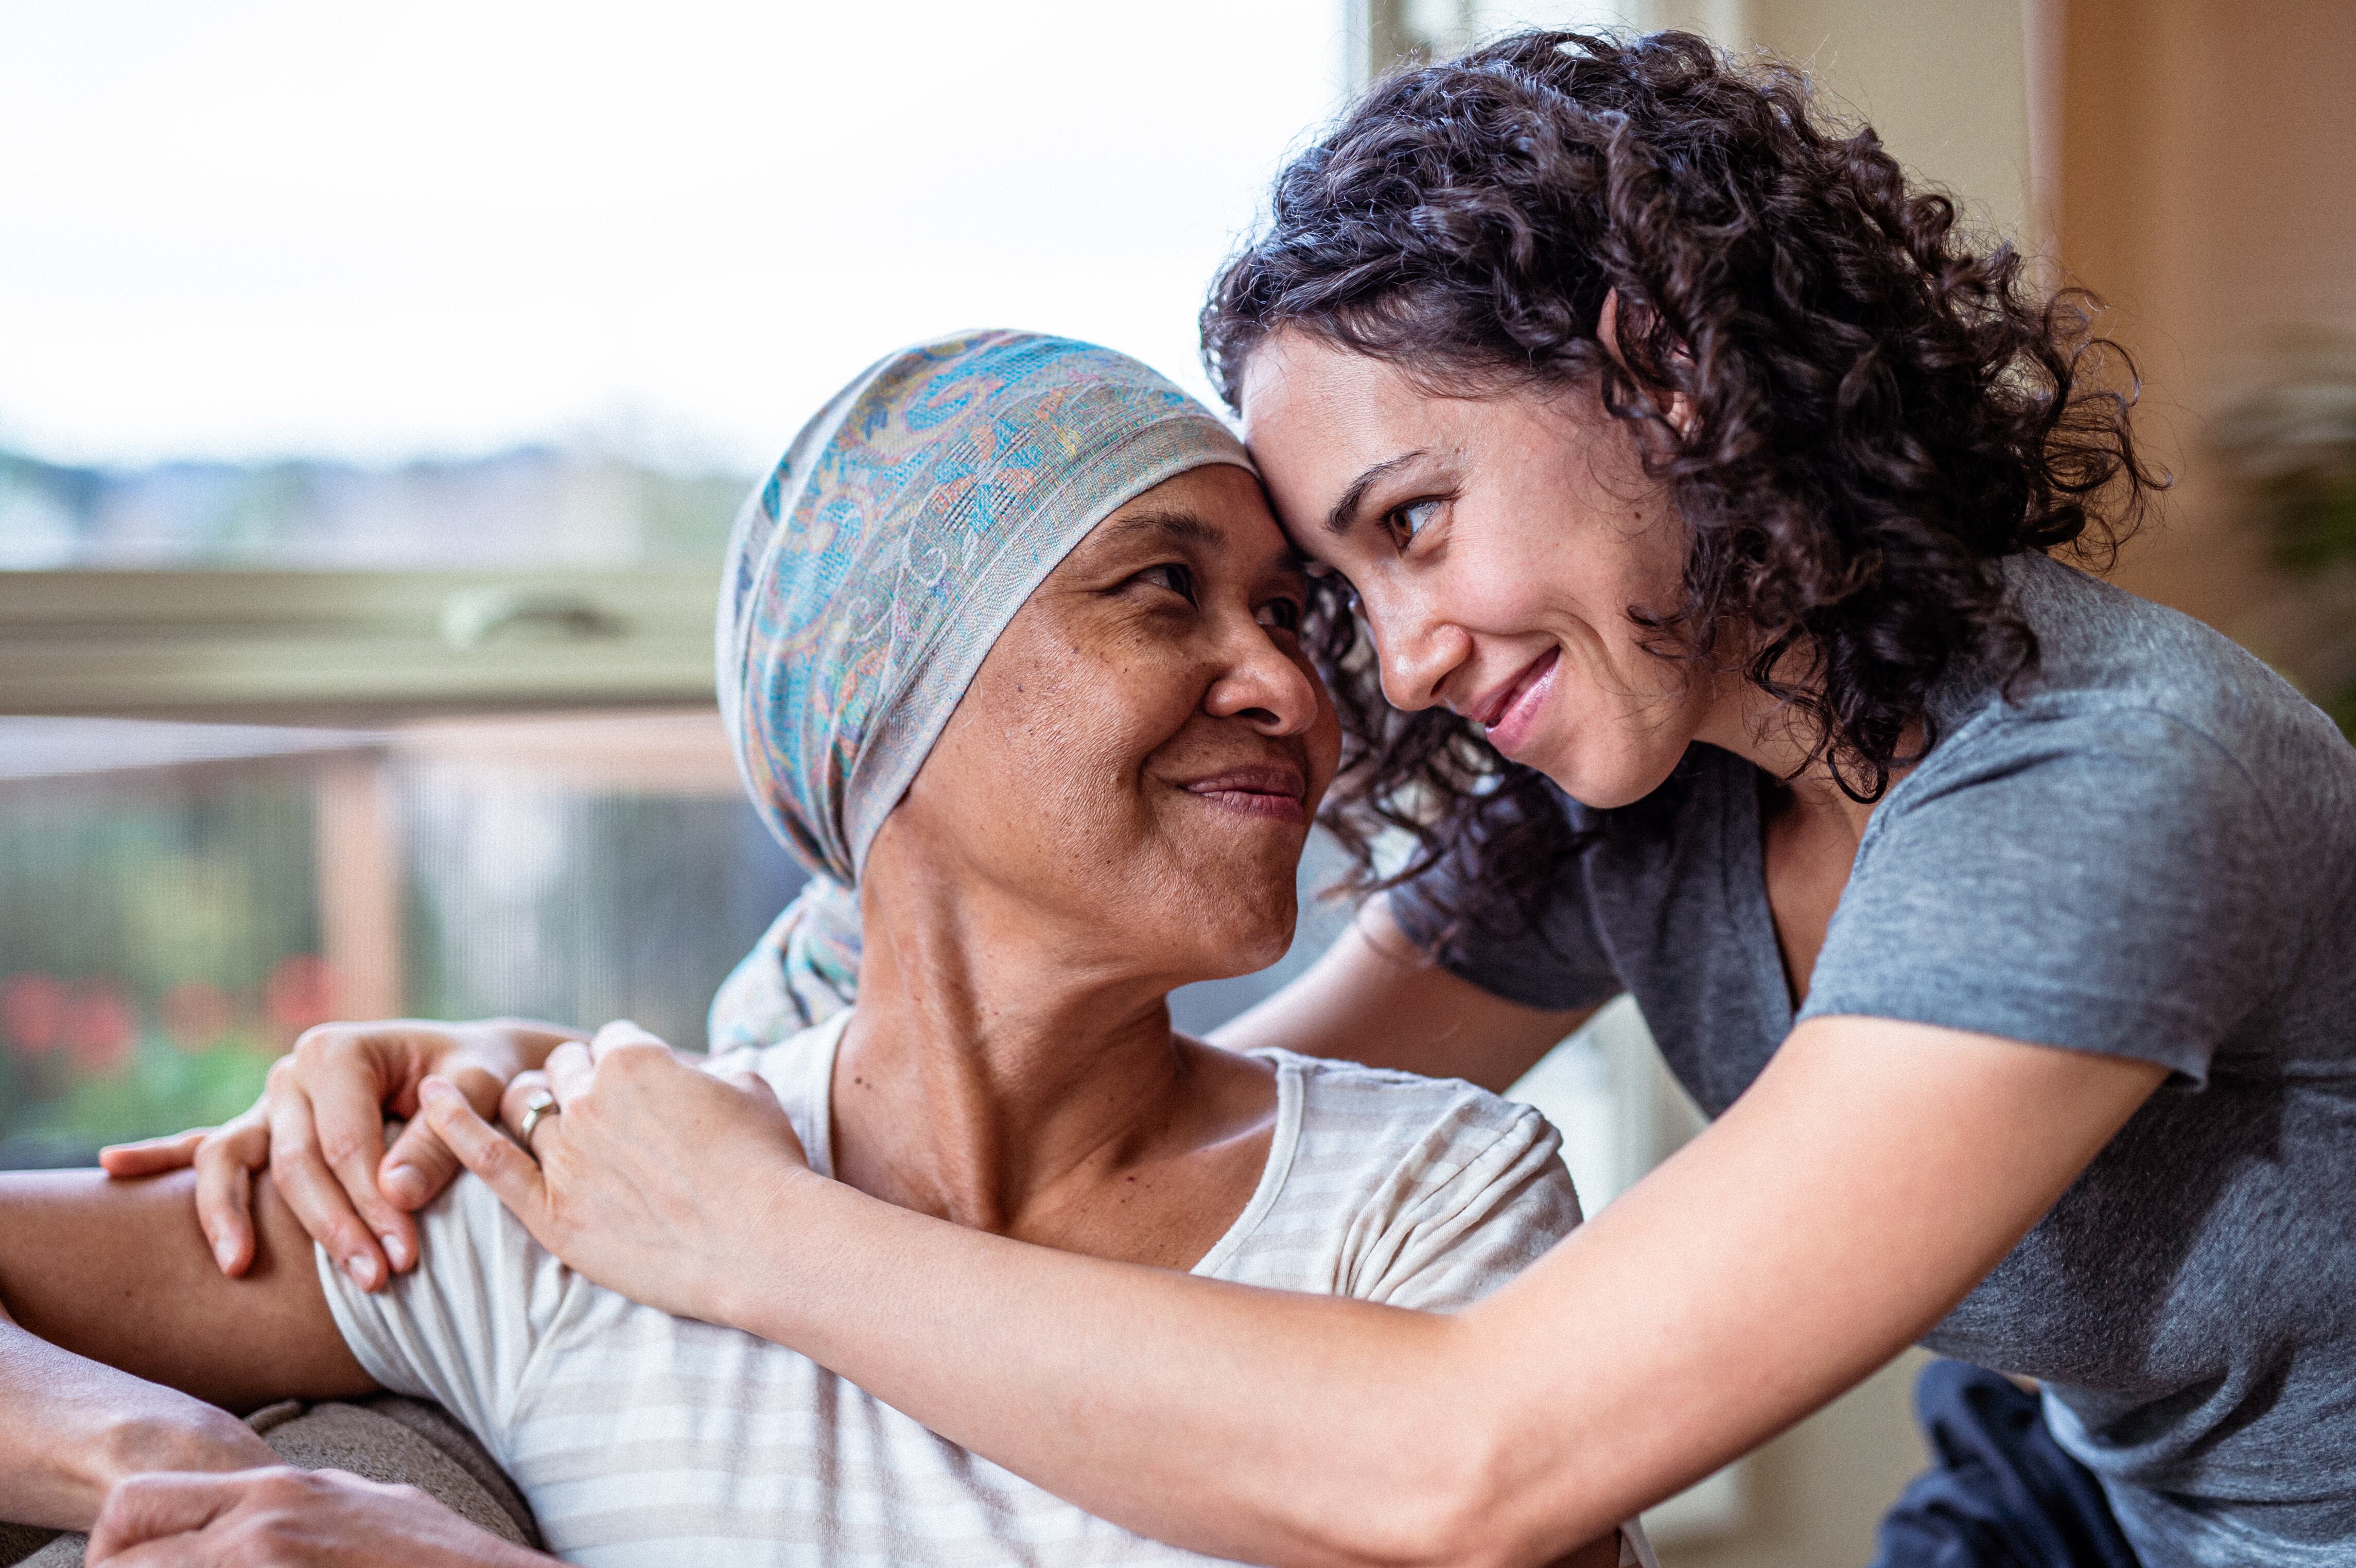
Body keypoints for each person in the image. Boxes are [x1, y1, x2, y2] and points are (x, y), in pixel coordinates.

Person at [116, 30, 2356, 1568]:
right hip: (2079, 1495)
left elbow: (1484, 1456)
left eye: (1405, 523)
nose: (1375, 664)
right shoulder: (1648, 787)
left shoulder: (2107, 783)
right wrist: (538, 1106)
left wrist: (753, 1234)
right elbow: (1130, 1134)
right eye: (1332, 581)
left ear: (1658, 365)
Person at [1, 331, 1646, 1568]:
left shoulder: (1432, 1202)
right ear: (890, 701)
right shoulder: (565, 1189)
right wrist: (151, 1452)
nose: (1291, 687)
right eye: (1165, 593)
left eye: (1291, 615)